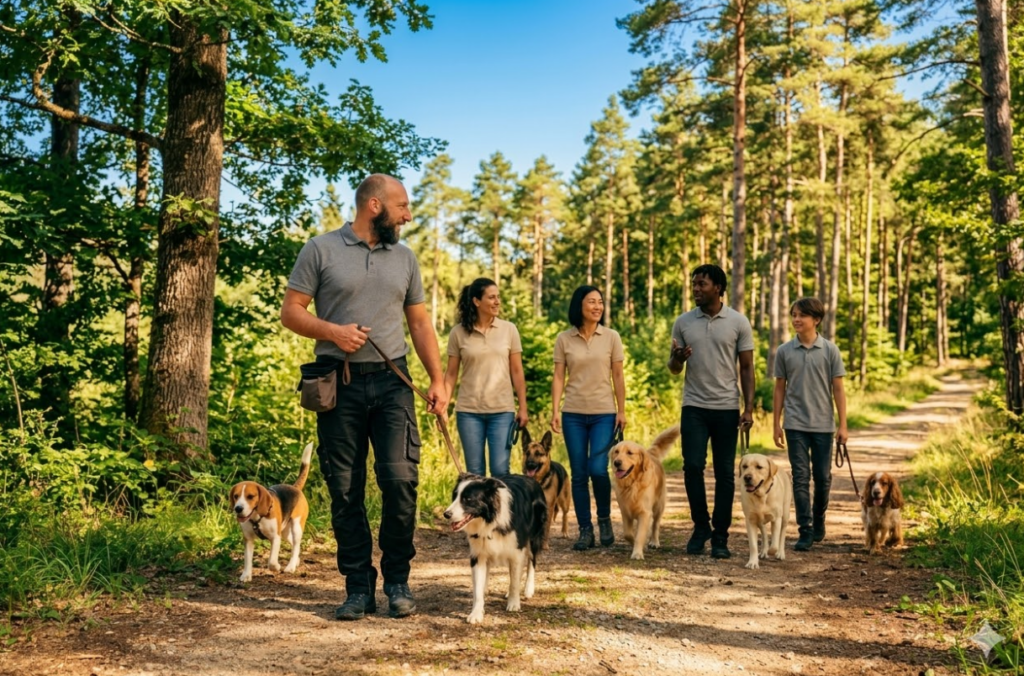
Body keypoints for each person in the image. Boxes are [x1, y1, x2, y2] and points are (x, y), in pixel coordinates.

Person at [280, 173, 448, 621]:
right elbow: (291, 312)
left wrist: (437, 380)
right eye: (403, 206)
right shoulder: (320, 250)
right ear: (374, 206)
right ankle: (358, 588)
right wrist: (332, 331)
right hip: (339, 382)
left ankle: (397, 581)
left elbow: (419, 324)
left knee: (400, 482)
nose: (408, 215)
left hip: (394, 381)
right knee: (344, 490)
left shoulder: (405, 258)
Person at [668, 264, 754, 560]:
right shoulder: (683, 322)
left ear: (718, 287)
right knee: (692, 466)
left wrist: (749, 408)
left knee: (725, 475)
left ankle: (720, 535)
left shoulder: (738, 322)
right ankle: (701, 526)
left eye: (701, 284)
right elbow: (673, 368)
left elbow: (746, 367)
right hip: (693, 406)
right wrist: (677, 359)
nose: (696, 289)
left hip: (726, 407)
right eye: (694, 284)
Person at [550, 285, 626, 551]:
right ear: (579, 306)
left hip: (604, 413)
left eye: (600, 302)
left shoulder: (611, 337)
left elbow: (618, 375)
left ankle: (604, 519)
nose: (598, 306)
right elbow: (559, 376)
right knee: (580, 474)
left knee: (598, 469)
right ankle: (585, 530)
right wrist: (554, 410)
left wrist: (622, 410)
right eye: (592, 302)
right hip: (573, 414)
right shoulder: (564, 339)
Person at [772, 297, 848, 551]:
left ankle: (818, 520)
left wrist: (843, 425)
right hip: (795, 424)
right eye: (793, 314)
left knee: (823, 478)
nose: (796, 319)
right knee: (800, 477)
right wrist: (775, 423)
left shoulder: (830, 350)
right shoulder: (784, 351)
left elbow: (838, 389)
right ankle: (805, 530)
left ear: (816, 320)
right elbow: (779, 389)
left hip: (824, 426)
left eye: (801, 315)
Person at [443, 278, 529, 476]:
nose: (497, 301)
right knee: (475, 472)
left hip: (502, 411)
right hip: (468, 412)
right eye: (491, 297)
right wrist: (443, 408)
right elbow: (451, 374)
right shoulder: (458, 333)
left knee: (500, 471)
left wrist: (522, 407)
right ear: (476, 301)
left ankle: (500, 509)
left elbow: (517, 371)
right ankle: (479, 508)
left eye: (498, 297)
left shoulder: (509, 329)